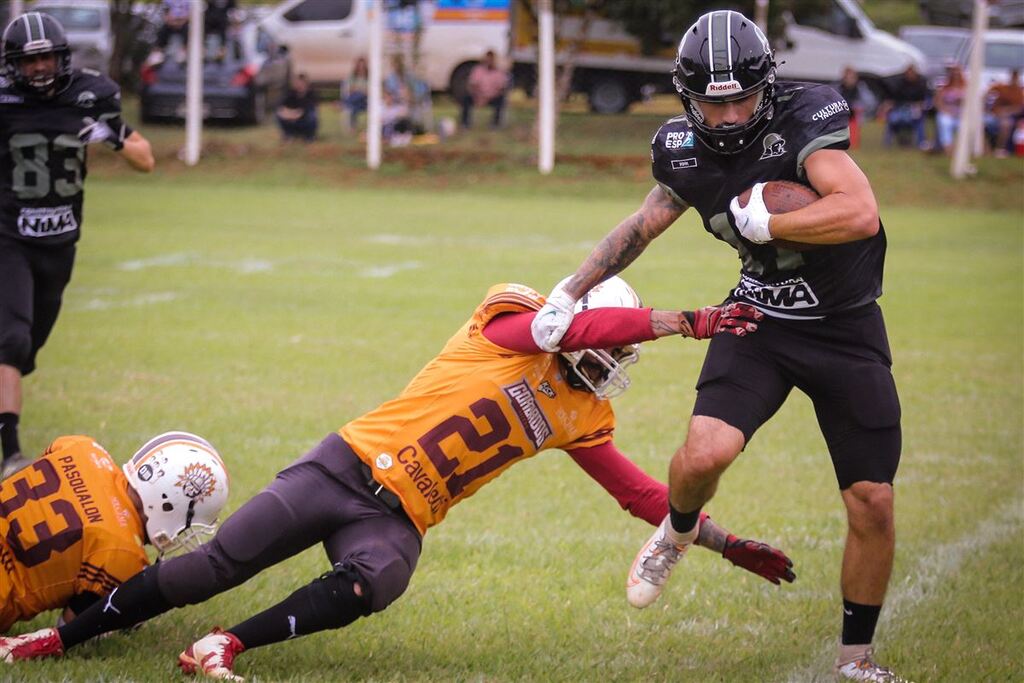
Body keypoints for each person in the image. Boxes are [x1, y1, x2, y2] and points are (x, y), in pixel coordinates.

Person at [0, 279, 794, 678]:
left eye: (623, 353)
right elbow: (569, 324)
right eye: (613, 343)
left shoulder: (585, 412)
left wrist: (720, 541)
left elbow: (639, 493)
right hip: (345, 464)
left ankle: (225, 643)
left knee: (379, 579)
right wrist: (678, 321)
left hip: (397, 516)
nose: (614, 359)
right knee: (213, 566)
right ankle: (57, 637)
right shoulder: (510, 327)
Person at [531, 10, 904, 682]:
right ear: (686, 96)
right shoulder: (682, 149)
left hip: (845, 327)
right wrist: (570, 288)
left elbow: (860, 212)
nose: (729, 117)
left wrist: (774, 223)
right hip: (757, 322)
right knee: (704, 454)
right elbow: (645, 223)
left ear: (768, 88)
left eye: (743, 100)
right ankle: (677, 529)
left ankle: (856, 659)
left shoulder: (806, 119)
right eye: (713, 102)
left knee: (872, 500)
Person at [0, 13, 155, 480]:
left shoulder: (90, 95)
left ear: (62, 57)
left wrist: (111, 137)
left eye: (47, 58)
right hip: (9, 236)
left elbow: (146, 159)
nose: (39, 68)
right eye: (29, 61)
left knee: (28, 349)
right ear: (13, 65)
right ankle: (11, 454)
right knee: (11, 340)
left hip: (60, 242)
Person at [1, 431, 229, 633]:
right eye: (187, 525)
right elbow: (70, 627)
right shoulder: (124, 553)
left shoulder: (82, 447)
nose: (182, 534)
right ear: (167, 505)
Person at [881, 63, 929, 149]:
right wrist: (888, 106)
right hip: (900, 108)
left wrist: (919, 106)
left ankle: (921, 142)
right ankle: (889, 142)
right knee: (893, 119)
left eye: (911, 73)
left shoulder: (921, 84)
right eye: (908, 73)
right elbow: (894, 99)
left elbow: (924, 100)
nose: (909, 75)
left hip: (914, 109)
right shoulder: (900, 84)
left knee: (917, 119)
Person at [461, 49, 509, 129]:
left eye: (491, 59)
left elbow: (501, 88)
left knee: (501, 100)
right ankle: (465, 123)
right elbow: (472, 85)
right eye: (487, 59)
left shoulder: (499, 72)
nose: (489, 61)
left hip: (492, 97)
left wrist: (490, 96)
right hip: (478, 97)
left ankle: (495, 124)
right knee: (466, 98)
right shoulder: (478, 70)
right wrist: (478, 96)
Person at [984, 68, 1023, 157]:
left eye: (1016, 77)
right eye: (1013, 77)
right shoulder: (1002, 87)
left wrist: (1007, 111)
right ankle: (986, 149)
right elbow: (989, 91)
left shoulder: (1019, 92)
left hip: (1008, 116)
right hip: (994, 114)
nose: (1014, 79)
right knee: (982, 123)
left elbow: (1019, 108)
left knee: (1006, 125)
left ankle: (1000, 148)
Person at [835, 67, 875, 150]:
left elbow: (870, 102)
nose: (849, 80)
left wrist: (860, 107)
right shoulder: (837, 88)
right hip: (842, 113)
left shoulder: (861, 88)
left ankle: (853, 141)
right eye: (847, 77)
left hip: (856, 114)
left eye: (852, 77)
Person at [275, 73, 318, 142]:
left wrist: (293, 114)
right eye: (297, 82)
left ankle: (309, 136)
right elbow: (281, 108)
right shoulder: (290, 93)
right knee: (278, 114)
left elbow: (304, 111)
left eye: (301, 83)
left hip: (304, 121)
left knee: (312, 115)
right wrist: (289, 114)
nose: (299, 85)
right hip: (291, 119)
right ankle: (288, 134)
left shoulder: (311, 94)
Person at [934, 64, 966, 154]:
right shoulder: (944, 86)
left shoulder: (966, 86)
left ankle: (961, 148)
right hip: (947, 112)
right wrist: (946, 110)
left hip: (962, 114)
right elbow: (938, 102)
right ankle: (948, 147)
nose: (956, 75)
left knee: (963, 125)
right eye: (954, 73)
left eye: (957, 72)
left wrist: (962, 101)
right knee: (945, 123)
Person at [340, 57, 369, 131]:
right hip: (355, 101)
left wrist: (358, 89)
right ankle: (352, 127)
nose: (361, 67)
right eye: (360, 65)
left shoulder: (369, 77)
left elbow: (369, 91)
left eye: (363, 65)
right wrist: (361, 90)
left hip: (365, 101)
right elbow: (350, 90)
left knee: (357, 97)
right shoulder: (352, 76)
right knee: (353, 106)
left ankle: (343, 103)